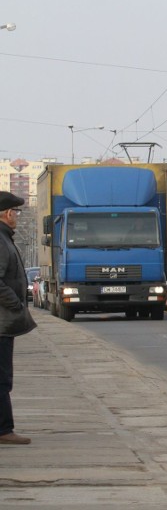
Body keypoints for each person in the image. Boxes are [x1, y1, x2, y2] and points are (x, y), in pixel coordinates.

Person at [0, 191, 37, 445]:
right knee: (2, 377)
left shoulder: (5, 238)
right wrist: (15, 304)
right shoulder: (1, 241)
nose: (17, 217)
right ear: (8, 213)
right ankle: (4, 430)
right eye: (17, 212)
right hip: (1, 322)